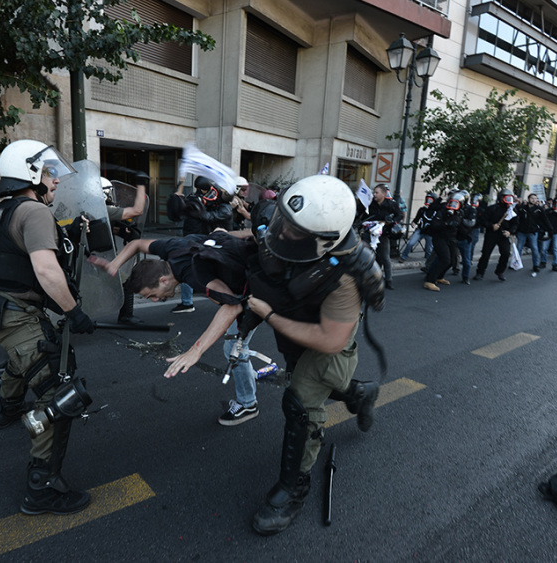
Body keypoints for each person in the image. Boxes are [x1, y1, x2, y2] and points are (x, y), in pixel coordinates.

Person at [244, 175, 385, 535]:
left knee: (301, 402)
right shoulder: (293, 227)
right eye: (284, 224)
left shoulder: (348, 277)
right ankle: (358, 392)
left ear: (325, 240)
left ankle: (293, 488)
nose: (284, 233)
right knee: (319, 381)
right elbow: (267, 241)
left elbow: (329, 340)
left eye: (296, 232)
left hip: (325, 333)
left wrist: (270, 317)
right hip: (297, 318)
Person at [0, 140, 97, 516]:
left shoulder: (2, 210)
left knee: (24, 357)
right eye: (49, 173)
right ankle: (41, 489)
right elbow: (46, 270)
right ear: (30, 174)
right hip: (16, 313)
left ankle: (7, 409)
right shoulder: (34, 211)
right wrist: (73, 312)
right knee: (56, 391)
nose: (56, 181)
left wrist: (69, 230)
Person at [94, 228, 263, 425]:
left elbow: (232, 307)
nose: (156, 301)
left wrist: (195, 351)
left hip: (260, 286)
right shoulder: (171, 248)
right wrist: (114, 265)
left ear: (163, 280)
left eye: (152, 295)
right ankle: (246, 375)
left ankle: (248, 403)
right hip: (248, 265)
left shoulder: (194, 273)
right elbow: (136, 244)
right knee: (234, 344)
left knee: (233, 348)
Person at [167, 176, 233, 313]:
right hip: (196, 238)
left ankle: (230, 299)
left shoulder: (225, 208)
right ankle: (187, 302)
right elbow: (177, 202)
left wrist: (197, 206)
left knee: (217, 270)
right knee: (186, 265)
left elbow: (209, 217)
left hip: (214, 240)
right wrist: (181, 185)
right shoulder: (198, 198)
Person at [100, 174, 149, 325]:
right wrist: (141, 184)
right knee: (127, 282)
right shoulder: (105, 209)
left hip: (89, 257)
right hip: (100, 259)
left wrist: (122, 231)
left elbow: (104, 228)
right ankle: (126, 316)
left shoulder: (87, 208)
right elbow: (138, 210)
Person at [361, 184, 402, 289]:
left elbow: (400, 215)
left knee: (385, 257)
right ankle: (368, 279)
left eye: (376, 192)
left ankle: (388, 280)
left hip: (383, 235)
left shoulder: (391, 205)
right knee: (366, 256)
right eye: (374, 192)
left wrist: (392, 221)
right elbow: (362, 215)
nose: (374, 194)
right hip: (368, 233)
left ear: (383, 194)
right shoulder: (369, 204)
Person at [473, 189, 518, 281]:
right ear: (501, 197)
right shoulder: (492, 208)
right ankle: (480, 272)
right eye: (506, 197)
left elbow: (515, 223)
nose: (508, 200)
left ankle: (500, 271)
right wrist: (491, 226)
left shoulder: (512, 210)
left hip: (504, 235)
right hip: (491, 234)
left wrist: (510, 232)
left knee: (506, 253)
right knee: (486, 254)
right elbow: (483, 220)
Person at [423, 192, 462, 291]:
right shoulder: (442, 210)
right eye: (452, 203)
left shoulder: (460, 212)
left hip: (451, 238)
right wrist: (446, 223)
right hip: (439, 237)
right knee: (445, 259)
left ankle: (439, 277)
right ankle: (429, 280)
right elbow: (435, 224)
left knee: (452, 260)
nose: (453, 206)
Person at [515, 194, 548, 277]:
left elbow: (545, 220)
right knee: (518, 248)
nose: (534, 200)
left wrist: (549, 229)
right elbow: (517, 218)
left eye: (535, 198)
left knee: (534, 248)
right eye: (532, 198)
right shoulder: (522, 208)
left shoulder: (539, 209)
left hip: (533, 232)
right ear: (528, 199)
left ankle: (536, 265)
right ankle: (515, 263)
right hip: (522, 231)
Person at [399, 191, 436, 262]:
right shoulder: (422, 210)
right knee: (410, 243)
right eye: (427, 199)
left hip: (429, 232)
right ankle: (404, 256)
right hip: (420, 230)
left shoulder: (436, 211)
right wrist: (414, 223)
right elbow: (417, 218)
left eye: (430, 200)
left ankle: (428, 263)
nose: (428, 201)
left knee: (429, 249)